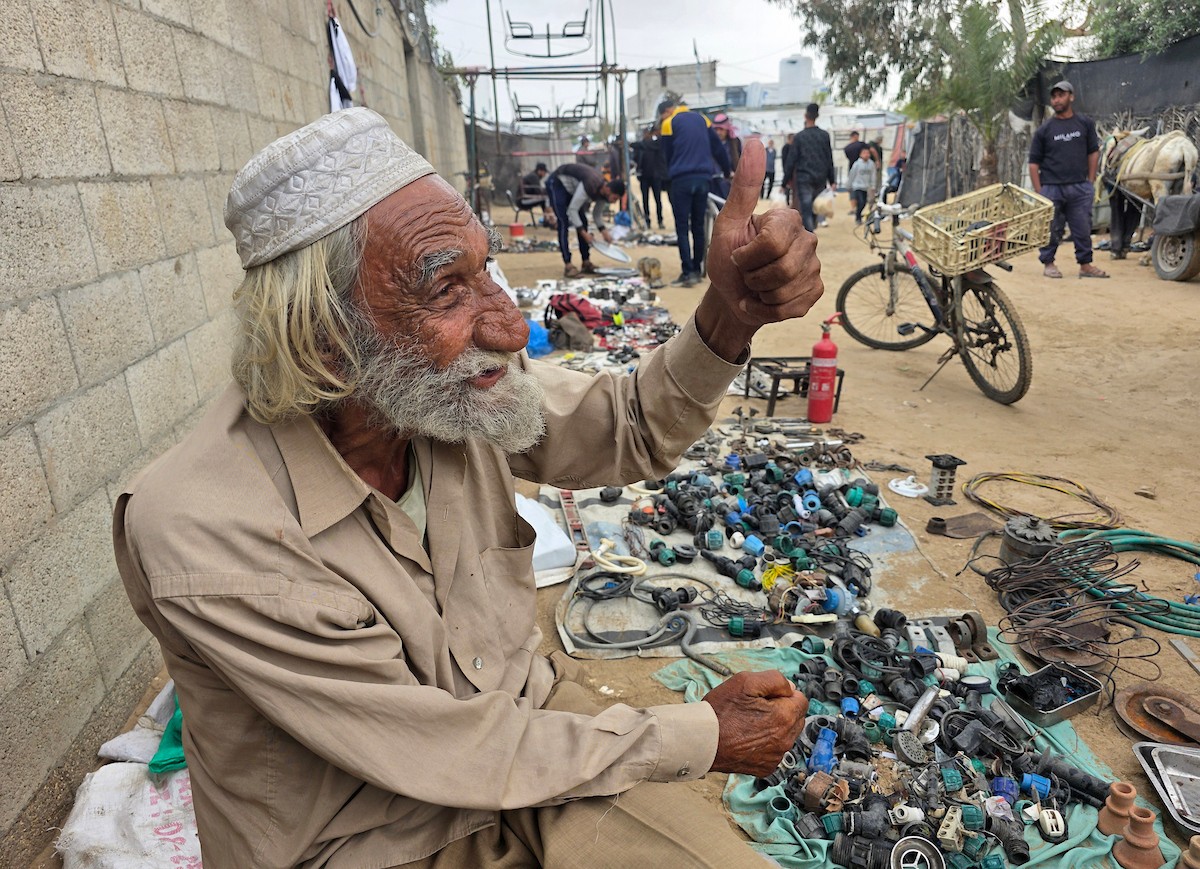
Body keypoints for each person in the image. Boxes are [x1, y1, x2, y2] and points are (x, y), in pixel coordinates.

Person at [115, 107, 821, 869]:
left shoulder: (438, 394)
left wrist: (729, 314)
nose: (510, 326)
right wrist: (697, 734)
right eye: (447, 289)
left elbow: (628, 425)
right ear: (324, 337)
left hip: (534, 746)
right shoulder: (200, 524)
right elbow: (445, 750)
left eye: (485, 268)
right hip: (370, 839)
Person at [1028, 80, 1109, 279]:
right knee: (1051, 228)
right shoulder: (1044, 130)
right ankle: (1048, 263)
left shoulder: (1084, 124)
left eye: (1061, 95)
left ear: (1071, 97)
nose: (1057, 100)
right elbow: (1033, 164)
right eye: (1054, 96)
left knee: (1082, 228)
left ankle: (1086, 265)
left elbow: (1093, 152)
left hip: (1079, 187)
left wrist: (1089, 182)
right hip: (1052, 188)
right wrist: (1041, 193)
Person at [659, 98, 732, 286]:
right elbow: (717, 148)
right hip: (703, 179)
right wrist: (726, 171)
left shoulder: (668, 124)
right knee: (698, 226)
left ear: (668, 111)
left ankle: (687, 271)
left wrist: (670, 175)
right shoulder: (703, 120)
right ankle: (699, 269)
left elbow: (666, 155)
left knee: (682, 227)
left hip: (681, 180)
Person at [545, 161, 625, 278]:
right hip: (558, 183)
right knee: (563, 222)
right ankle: (568, 265)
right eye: (615, 198)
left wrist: (604, 232)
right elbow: (572, 210)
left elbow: (596, 214)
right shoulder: (590, 184)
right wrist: (584, 233)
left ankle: (586, 262)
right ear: (608, 190)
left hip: (572, 190)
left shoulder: (603, 193)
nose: (614, 201)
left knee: (583, 221)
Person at [782, 103, 836, 232]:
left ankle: (810, 233)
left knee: (805, 208)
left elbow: (791, 160)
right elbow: (829, 158)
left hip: (804, 177)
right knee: (816, 207)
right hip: (820, 176)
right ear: (817, 116)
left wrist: (784, 182)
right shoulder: (824, 135)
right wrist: (832, 180)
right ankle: (812, 228)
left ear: (805, 116)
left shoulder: (799, 137)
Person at [631, 125, 667, 229]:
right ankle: (647, 220)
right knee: (645, 200)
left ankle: (660, 220)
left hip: (656, 176)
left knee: (658, 199)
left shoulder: (655, 144)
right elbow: (635, 158)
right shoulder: (641, 146)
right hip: (644, 177)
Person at [518, 162, 556, 228]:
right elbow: (538, 191)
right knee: (546, 199)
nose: (544, 174)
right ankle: (552, 220)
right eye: (544, 172)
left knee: (544, 200)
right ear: (540, 171)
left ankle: (546, 220)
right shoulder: (533, 177)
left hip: (524, 199)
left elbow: (538, 191)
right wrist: (548, 191)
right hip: (523, 201)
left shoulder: (533, 176)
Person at [848, 147, 876, 224]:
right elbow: (852, 175)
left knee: (864, 203)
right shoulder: (857, 164)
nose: (866, 155)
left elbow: (873, 175)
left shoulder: (871, 164)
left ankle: (858, 214)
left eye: (868, 153)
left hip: (866, 186)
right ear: (860, 154)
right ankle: (858, 217)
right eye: (864, 153)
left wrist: (873, 186)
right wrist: (849, 185)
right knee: (860, 201)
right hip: (857, 186)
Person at [780, 132, 795, 205]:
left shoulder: (794, 147)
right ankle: (787, 202)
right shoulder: (786, 147)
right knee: (787, 186)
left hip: (793, 170)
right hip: (788, 169)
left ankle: (792, 202)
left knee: (792, 187)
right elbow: (784, 160)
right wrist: (785, 170)